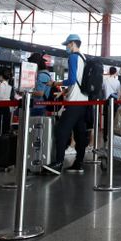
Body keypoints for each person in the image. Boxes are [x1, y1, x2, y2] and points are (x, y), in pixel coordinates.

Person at [43, 34, 89, 175]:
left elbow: (72, 80)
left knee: (61, 130)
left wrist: (55, 83)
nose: (66, 47)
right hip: (84, 101)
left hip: (74, 102)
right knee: (80, 133)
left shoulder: (73, 57)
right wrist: (63, 93)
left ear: (73, 43)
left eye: (67, 44)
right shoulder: (83, 58)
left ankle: (58, 163)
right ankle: (79, 163)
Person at [28, 52, 54, 117]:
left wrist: (27, 92)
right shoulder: (44, 74)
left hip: (38, 106)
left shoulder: (41, 75)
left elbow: (40, 93)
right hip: (39, 106)